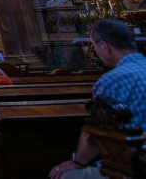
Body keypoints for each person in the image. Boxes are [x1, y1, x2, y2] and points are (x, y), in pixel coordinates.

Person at [50, 19, 146, 179]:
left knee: (66, 176)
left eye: (94, 46)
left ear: (105, 47)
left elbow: (97, 132)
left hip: (134, 165)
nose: (96, 51)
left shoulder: (113, 80)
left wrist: (77, 163)